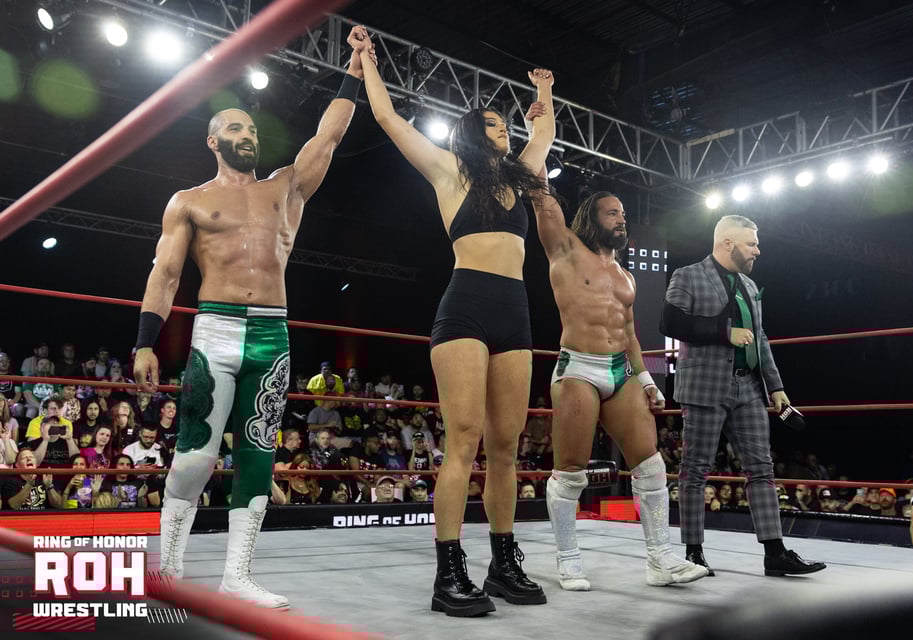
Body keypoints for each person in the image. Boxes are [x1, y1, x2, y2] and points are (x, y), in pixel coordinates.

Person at [132, 26, 372, 610]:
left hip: (272, 333)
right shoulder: (189, 201)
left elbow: (329, 135)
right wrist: (144, 342)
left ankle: (236, 576)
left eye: (253, 130)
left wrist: (354, 70)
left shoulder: (285, 189)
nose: (247, 136)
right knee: (195, 454)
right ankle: (168, 571)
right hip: (214, 331)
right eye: (236, 129)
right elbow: (165, 274)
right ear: (213, 141)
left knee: (258, 455)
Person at [352, 25, 555, 616]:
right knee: (463, 439)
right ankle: (448, 573)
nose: (504, 129)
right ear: (471, 132)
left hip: (515, 311)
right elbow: (389, 119)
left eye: (505, 124)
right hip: (465, 306)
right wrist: (367, 60)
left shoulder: (520, 176)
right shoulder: (449, 170)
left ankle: (503, 564)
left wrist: (545, 91)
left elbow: (542, 133)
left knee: (508, 445)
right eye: (493, 124)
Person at [529, 185, 708, 590]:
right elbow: (542, 199)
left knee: (651, 465)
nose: (621, 219)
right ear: (591, 218)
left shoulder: (626, 276)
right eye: (612, 213)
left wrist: (646, 380)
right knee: (570, 474)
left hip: (620, 370)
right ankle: (568, 560)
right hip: (578, 367)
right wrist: (540, 149)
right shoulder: (567, 250)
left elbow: (629, 334)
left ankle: (661, 560)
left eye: (623, 214)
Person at [660, 214, 826, 577]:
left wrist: (776, 387)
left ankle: (775, 552)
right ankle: (693, 552)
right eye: (751, 244)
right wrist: (724, 332)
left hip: (748, 387)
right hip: (704, 385)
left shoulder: (750, 286)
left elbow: (760, 337)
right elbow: (670, 323)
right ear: (727, 243)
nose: (757, 250)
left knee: (762, 467)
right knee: (695, 470)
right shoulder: (688, 276)